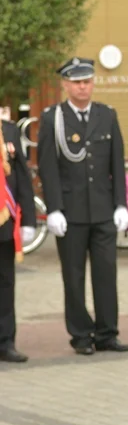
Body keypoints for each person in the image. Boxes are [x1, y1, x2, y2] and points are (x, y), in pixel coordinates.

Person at [38, 58, 128, 355]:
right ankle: (80, 335)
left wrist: (121, 204)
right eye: (77, 82)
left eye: (87, 81)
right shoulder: (53, 118)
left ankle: (107, 333)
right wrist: (54, 208)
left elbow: (117, 162)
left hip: (103, 210)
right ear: (65, 85)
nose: (83, 86)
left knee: (106, 275)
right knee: (74, 277)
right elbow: (48, 166)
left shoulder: (107, 115)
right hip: (71, 212)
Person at [0, 119, 36, 363]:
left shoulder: (8, 130)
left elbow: (21, 175)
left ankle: (5, 342)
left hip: (4, 221)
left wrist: (29, 221)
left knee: (5, 283)